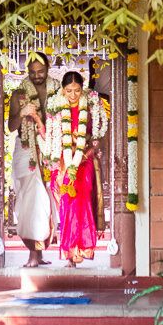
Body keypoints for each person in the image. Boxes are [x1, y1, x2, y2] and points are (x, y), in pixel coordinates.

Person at [44, 70, 110, 266]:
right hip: (63, 162)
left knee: (83, 203)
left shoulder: (92, 106)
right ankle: (70, 254)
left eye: (77, 90)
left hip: (84, 160)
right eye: (68, 90)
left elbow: (98, 138)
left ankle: (82, 248)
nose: (73, 95)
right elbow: (52, 138)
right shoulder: (55, 107)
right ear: (62, 90)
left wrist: (85, 154)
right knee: (67, 206)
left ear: (83, 90)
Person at [7, 52, 59, 267]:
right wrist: (22, 113)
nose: (37, 76)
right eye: (32, 72)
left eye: (41, 72)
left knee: (47, 201)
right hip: (27, 150)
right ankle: (32, 254)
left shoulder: (57, 90)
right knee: (30, 201)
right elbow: (10, 126)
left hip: (49, 149)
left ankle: (40, 252)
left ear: (48, 69)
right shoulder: (19, 94)